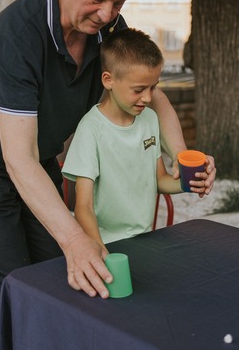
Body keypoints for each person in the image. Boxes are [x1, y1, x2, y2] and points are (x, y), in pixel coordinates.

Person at [0, 0, 216, 349]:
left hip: (34, 158)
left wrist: (182, 155)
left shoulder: (108, 30)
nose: (107, 14)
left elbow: (152, 95)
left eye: (118, 2)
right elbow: (17, 159)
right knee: (12, 285)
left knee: (60, 271)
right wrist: (75, 238)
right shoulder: (18, 33)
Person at [62, 28, 207, 248]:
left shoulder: (149, 119)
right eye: (139, 89)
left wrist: (190, 183)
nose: (148, 98)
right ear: (108, 80)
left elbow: (160, 179)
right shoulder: (90, 129)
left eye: (153, 88)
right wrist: (99, 251)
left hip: (145, 240)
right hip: (106, 245)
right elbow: (83, 207)